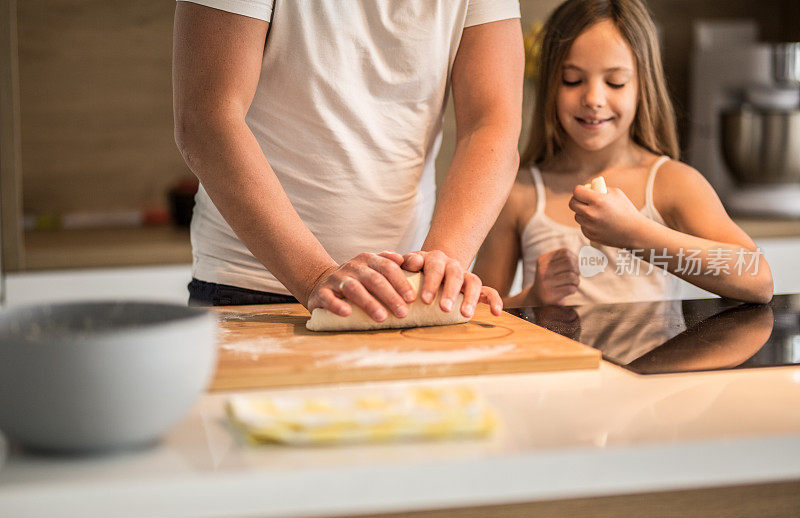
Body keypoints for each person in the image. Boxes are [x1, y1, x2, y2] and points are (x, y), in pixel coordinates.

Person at [172, 1, 524, 320]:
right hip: (251, 287)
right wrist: (314, 276)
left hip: (403, 295)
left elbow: (491, 125)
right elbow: (207, 121)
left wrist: (437, 269)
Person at [474, 0, 773, 307]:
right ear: (551, 83)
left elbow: (758, 278)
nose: (593, 98)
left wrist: (636, 233)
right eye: (572, 80)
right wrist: (532, 298)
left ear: (643, 87)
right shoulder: (519, 193)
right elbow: (480, 312)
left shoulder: (672, 182)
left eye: (615, 81)